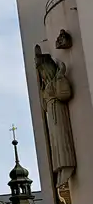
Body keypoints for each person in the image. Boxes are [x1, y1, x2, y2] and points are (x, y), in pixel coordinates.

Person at [34, 44, 76, 187]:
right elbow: (43, 106)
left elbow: (64, 94)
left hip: (58, 112)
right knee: (54, 141)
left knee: (61, 137)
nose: (43, 75)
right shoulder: (46, 86)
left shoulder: (56, 80)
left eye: (43, 72)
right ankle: (60, 168)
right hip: (51, 115)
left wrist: (59, 78)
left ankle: (66, 165)